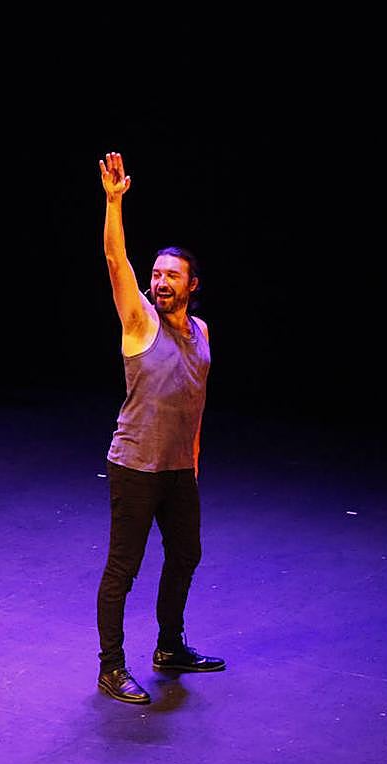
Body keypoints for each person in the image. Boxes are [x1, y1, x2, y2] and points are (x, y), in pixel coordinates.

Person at [94, 152, 225, 705]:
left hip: (177, 470)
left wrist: (192, 459)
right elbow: (115, 258)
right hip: (135, 466)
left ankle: (169, 646)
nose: (160, 282)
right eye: (156, 274)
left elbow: (195, 400)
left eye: (172, 275)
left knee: (186, 554)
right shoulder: (139, 320)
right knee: (122, 569)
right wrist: (114, 202)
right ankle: (111, 667)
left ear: (193, 284)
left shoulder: (202, 332)